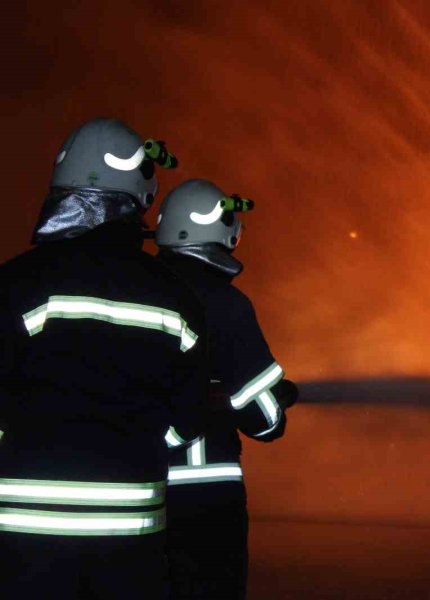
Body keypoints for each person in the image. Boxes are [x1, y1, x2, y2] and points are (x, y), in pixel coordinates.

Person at [0, 118, 209, 599]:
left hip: (23, 538)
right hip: (132, 537)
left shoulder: (17, 283)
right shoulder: (176, 297)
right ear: (139, 194)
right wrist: (141, 446)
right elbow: (189, 417)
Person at [154, 178, 298, 599]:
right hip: (205, 499)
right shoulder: (224, 303)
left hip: (136, 490)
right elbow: (263, 421)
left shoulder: (140, 290)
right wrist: (279, 402)